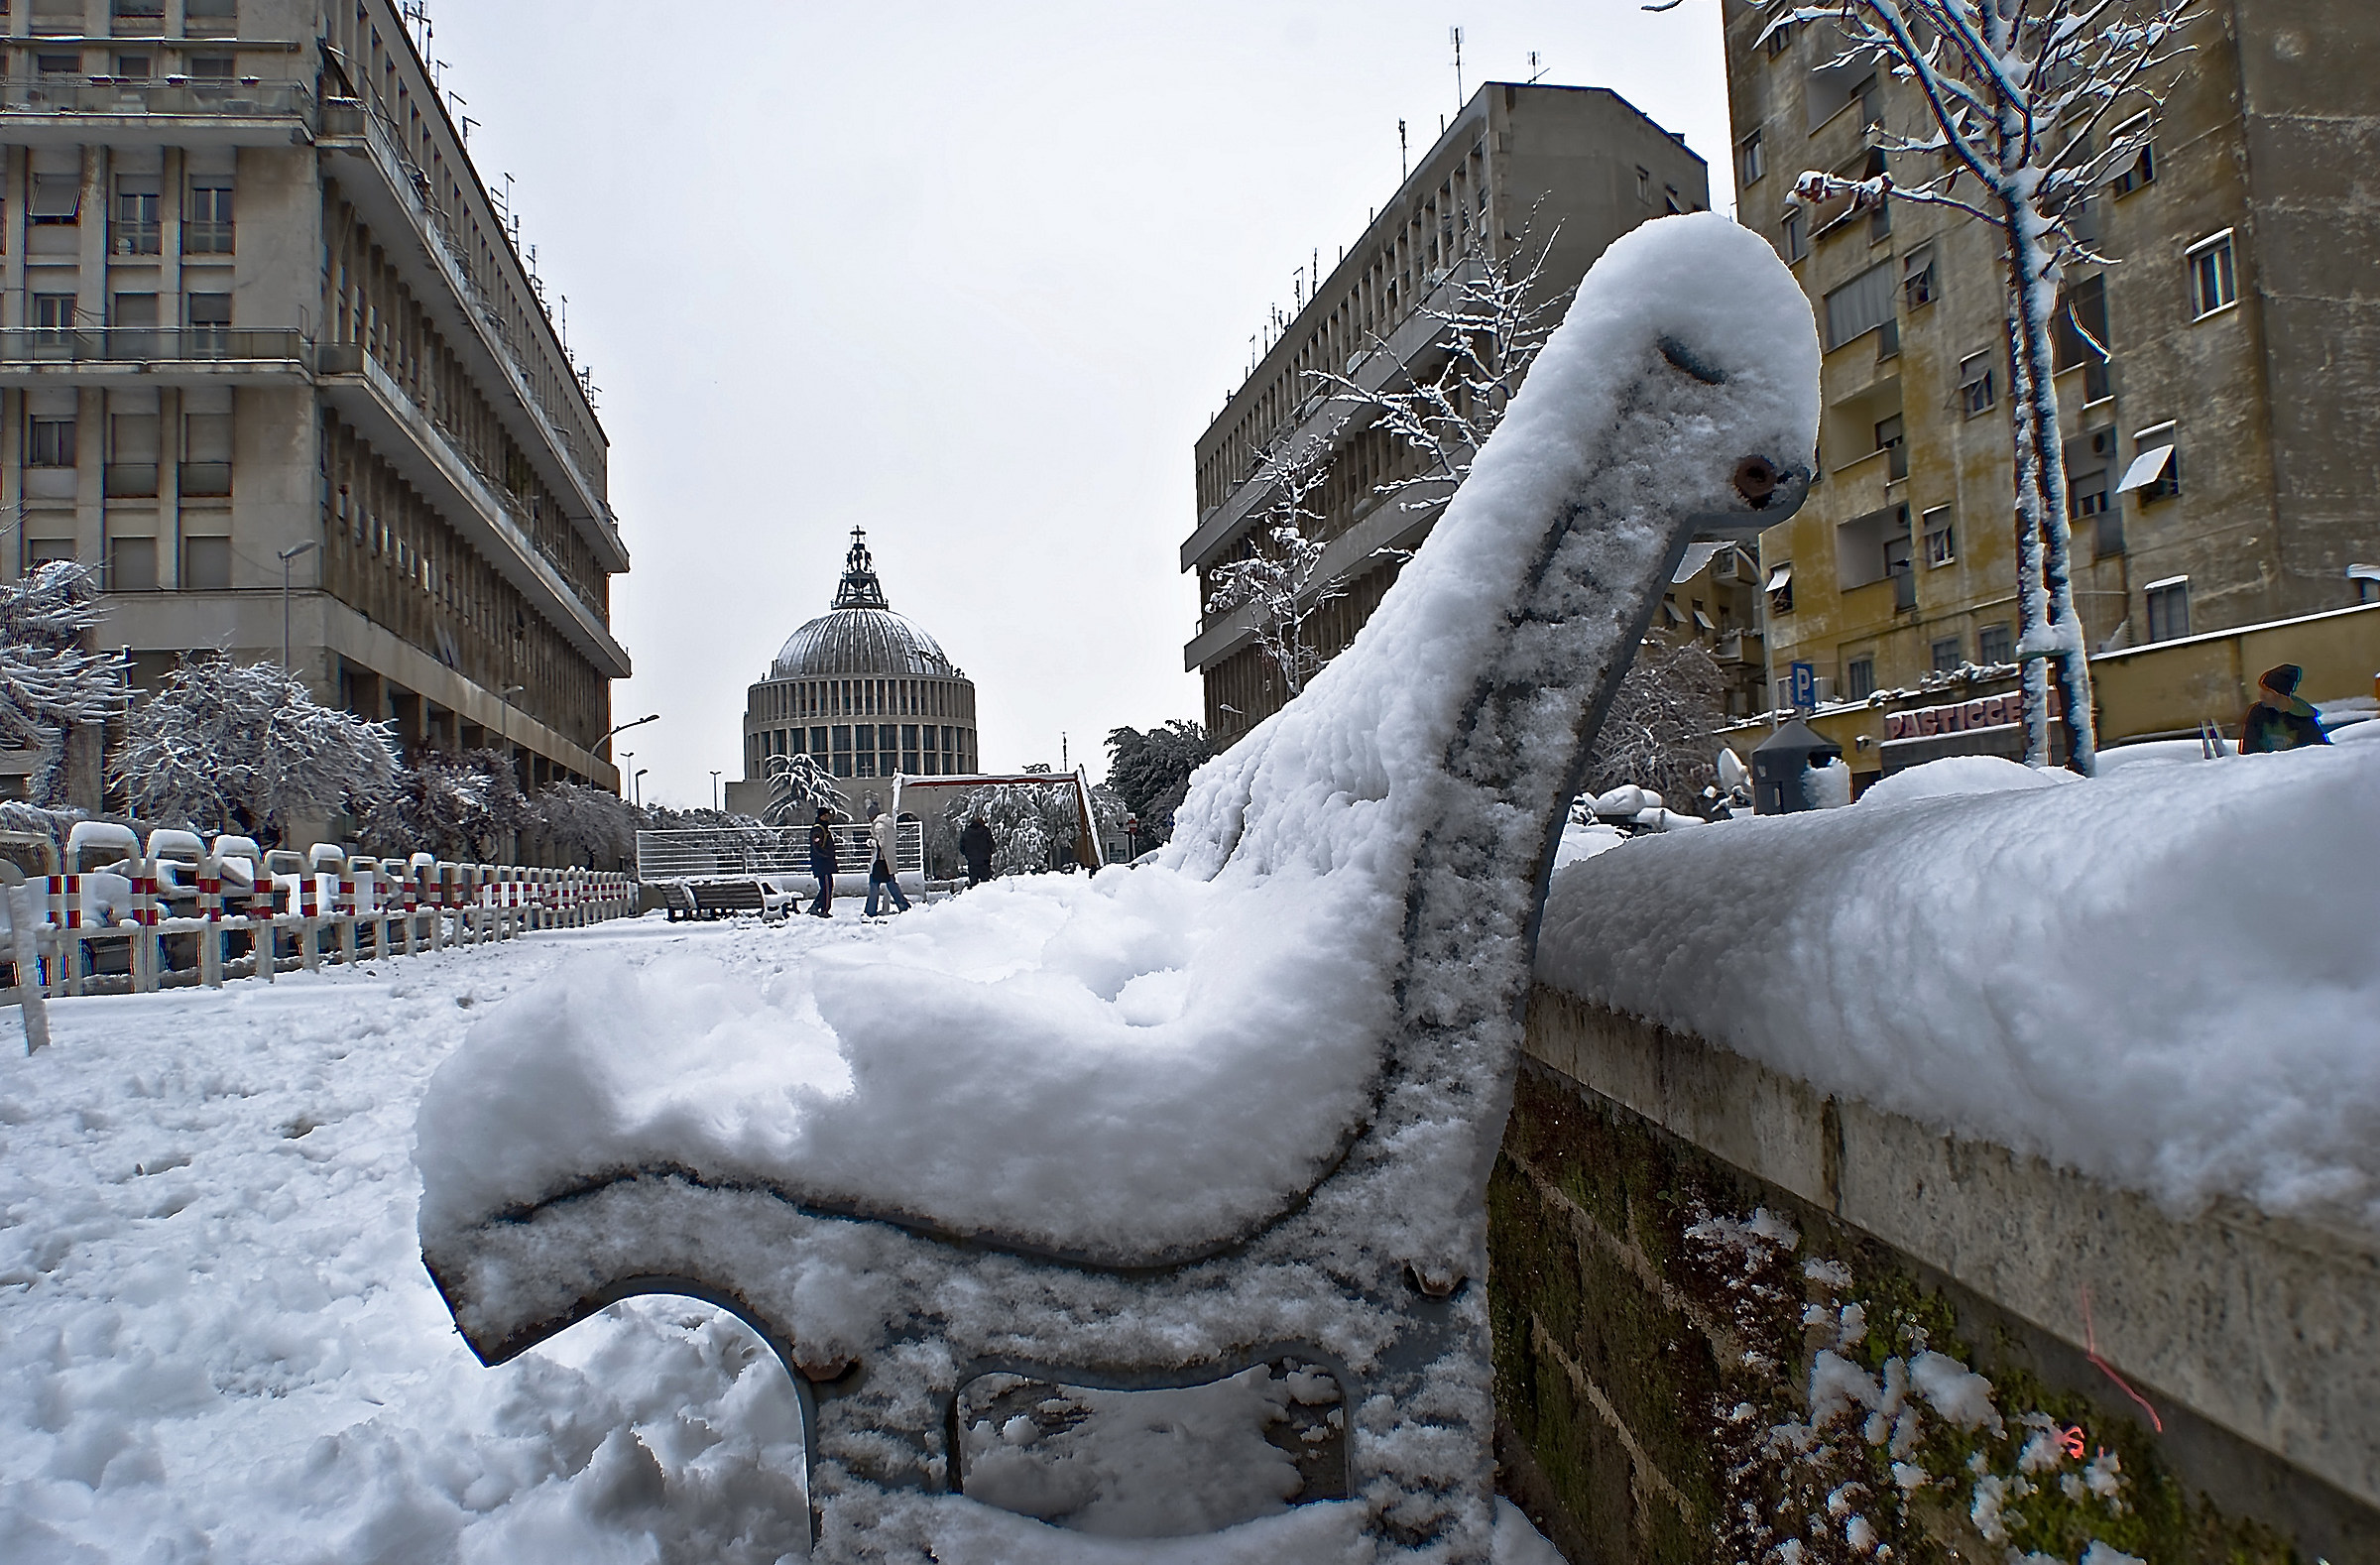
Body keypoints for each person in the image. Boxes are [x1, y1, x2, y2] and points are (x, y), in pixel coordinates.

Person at [2238, 663, 2330, 754]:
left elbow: (2318, 752)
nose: (2261, 695)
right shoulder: (2257, 713)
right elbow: (2249, 751)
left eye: (2267, 690)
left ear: (2281, 695)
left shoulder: (2304, 719)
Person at [864, 802, 910, 916]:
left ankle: (870, 910)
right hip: (888, 859)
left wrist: (870, 842)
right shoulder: (888, 824)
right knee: (891, 883)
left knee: (874, 884)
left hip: (881, 859)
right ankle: (903, 906)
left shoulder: (879, 826)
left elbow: (881, 843)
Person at [805, 806, 837, 917]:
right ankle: (824, 909)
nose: (827, 817)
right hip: (823, 864)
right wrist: (827, 855)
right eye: (825, 815)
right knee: (827, 887)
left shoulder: (822, 829)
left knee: (826, 886)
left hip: (824, 863)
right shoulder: (818, 829)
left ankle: (816, 906)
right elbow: (817, 847)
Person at [959, 813, 996, 888]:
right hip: (985, 862)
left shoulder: (966, 833)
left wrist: (967, 855)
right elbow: (992, 845)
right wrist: (989, 853)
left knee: (973, 884)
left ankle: (974, 897)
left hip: (972, 862)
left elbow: (961, 847)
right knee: (986, 884)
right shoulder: (986, 831)